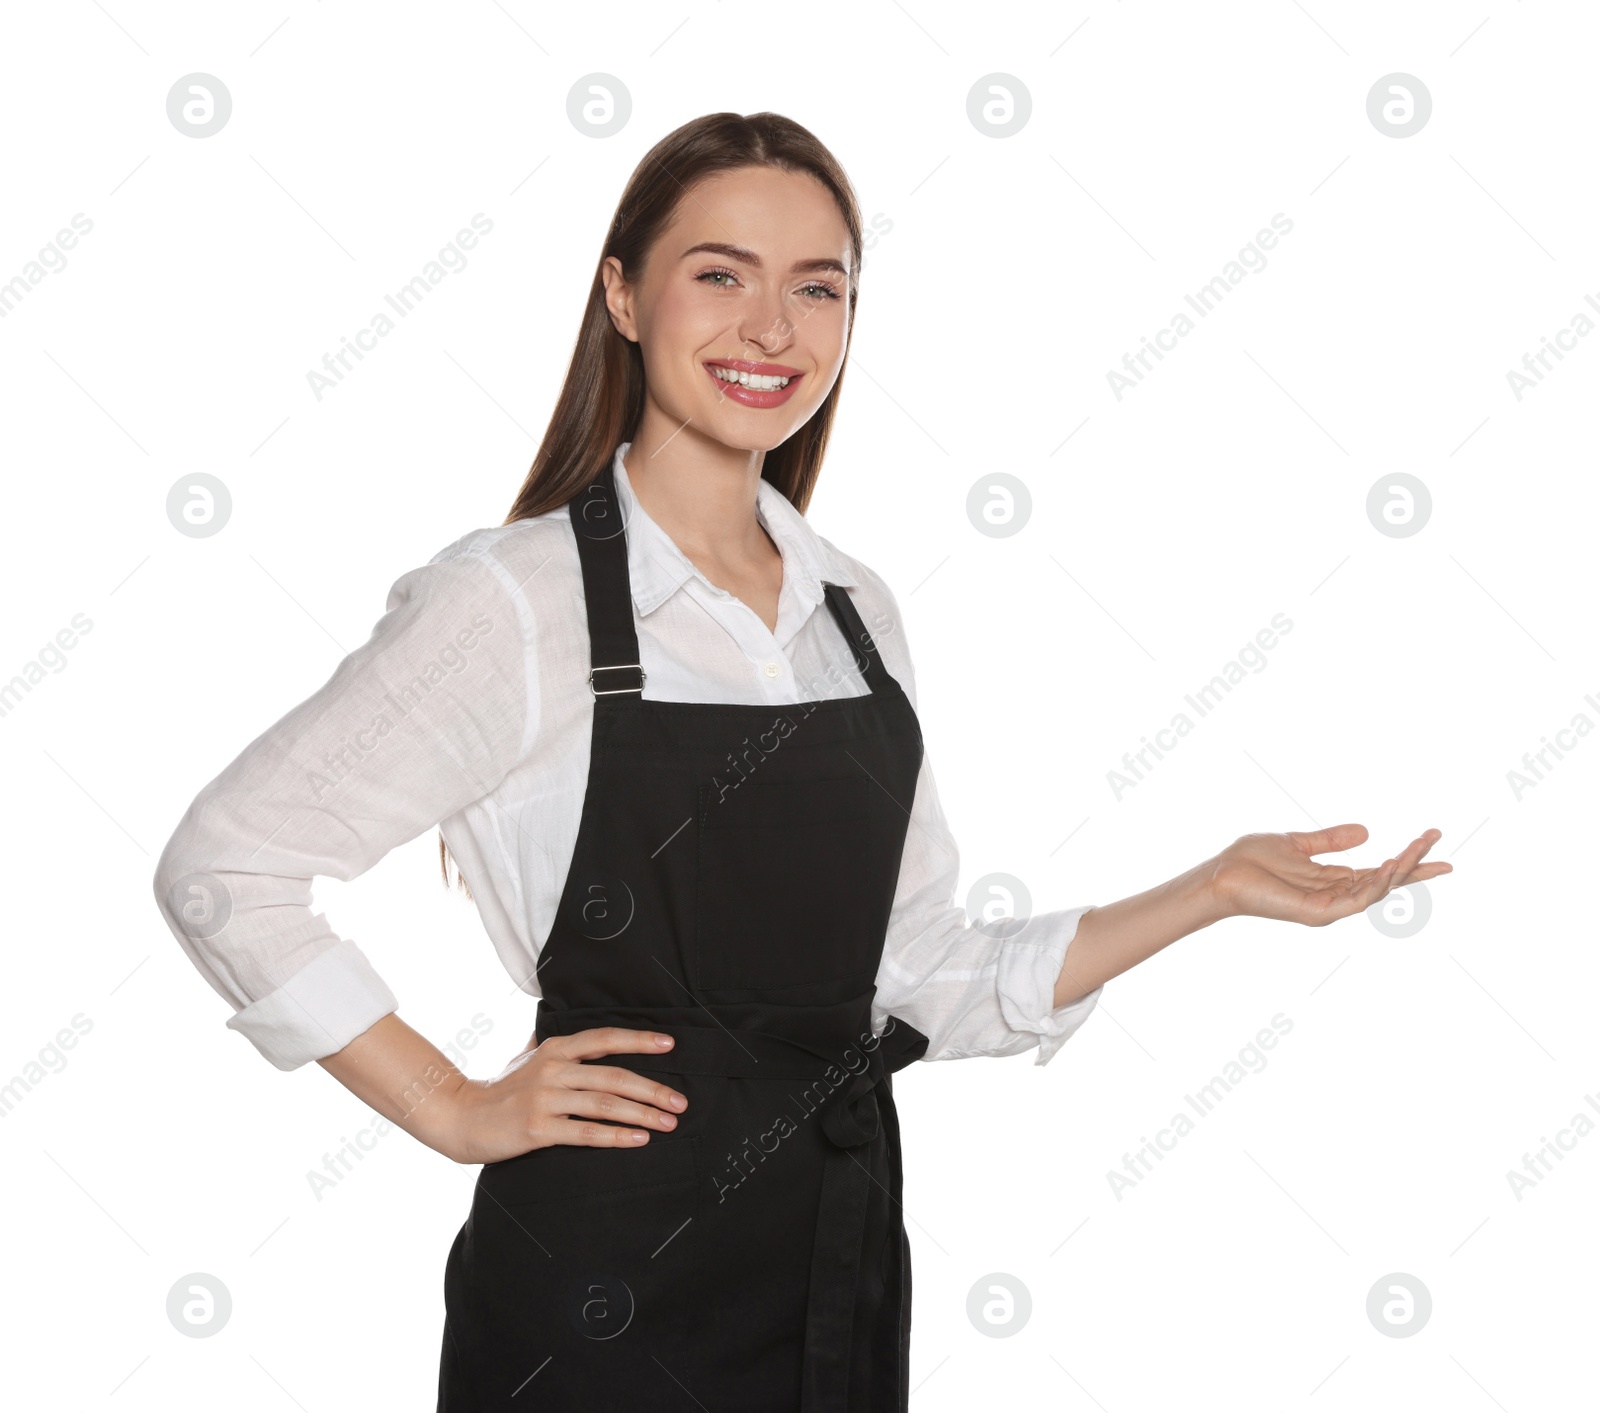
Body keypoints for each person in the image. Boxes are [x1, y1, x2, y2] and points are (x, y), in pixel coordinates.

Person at [151, 111, 1452, 1411]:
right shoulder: (518, 602)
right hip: (602, 1288)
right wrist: (449, 1101)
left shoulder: (852, 612)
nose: (773, 328)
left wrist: (1212, 889)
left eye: (817, 287)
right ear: (623, 294)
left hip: (835, 1255)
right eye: (720, 274)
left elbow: (920, 974)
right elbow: (228, 867)